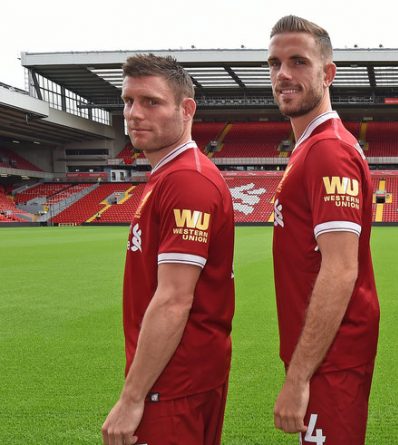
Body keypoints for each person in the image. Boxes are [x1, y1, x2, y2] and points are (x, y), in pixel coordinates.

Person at [101, 54, 235, 445]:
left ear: (186, 109)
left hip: (173, 386)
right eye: (128, 101)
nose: (134, 114)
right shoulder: (170, 176)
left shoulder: (186, 181)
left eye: (151, 102)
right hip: (183, 380)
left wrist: (131, 397)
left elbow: (175, 300)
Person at [267, 15, 379, 445]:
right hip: (324, 355)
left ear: (327, 73)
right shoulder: (310, 148)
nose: (283, 74)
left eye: (298, 61)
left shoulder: (328, 151)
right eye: (275, 63)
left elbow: (341, 269)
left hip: (331, 358)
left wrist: (298, 378)